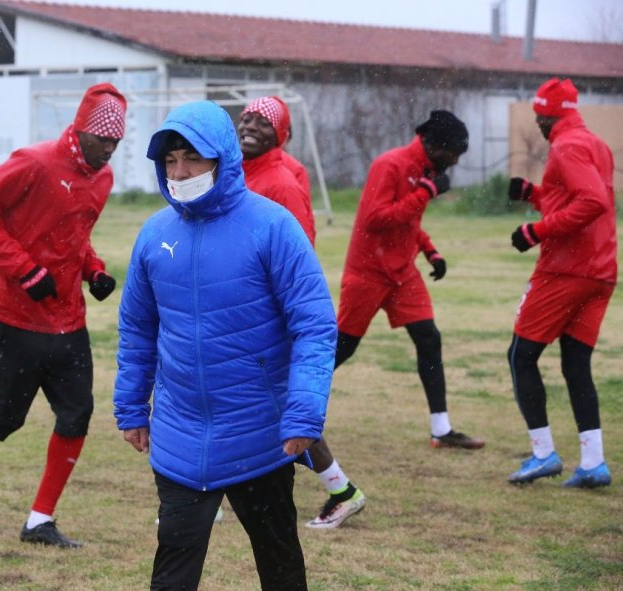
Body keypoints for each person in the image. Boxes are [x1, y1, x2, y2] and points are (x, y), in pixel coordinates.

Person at [113, 100, 337, 591]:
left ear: (223, 158)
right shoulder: (154, 235)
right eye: (170, 161)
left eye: (192, 158)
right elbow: (137, 328)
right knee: (173, 569)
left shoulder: (272, 226)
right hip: (178, 434)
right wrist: (131, 405)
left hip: (259, 433)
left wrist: (304, 412)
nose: (180, 171)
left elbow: (314, 326)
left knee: (279, 562)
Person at [0, 83, 127, 548]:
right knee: (7, 416)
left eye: (117, 141)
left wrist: (93, 270)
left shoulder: (102, 178)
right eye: (103, 139)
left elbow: (74, 235)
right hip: (17, 312)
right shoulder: (34, 163)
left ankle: (39, 521)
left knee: (77, 413)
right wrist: (25, 271)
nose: (110, 148)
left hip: (68, 318)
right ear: (80, 130)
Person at [305, 110, 485, 530]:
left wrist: (431, 250)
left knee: (430, 340)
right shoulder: (391, 164)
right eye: (454, 154)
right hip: (368, 272)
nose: (455, 162)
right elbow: (375, 219)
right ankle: (292, 401)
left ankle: (441, 429)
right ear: (434, 146)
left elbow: (408, 222)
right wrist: (424, 192)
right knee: (342, 348)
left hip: (402, 273)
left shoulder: (423, 169)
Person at [506, 78, 616, 488]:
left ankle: (543, 454)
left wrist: (537, 231)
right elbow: (579, 196)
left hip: (567, 269)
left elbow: (592, 202)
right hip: (600, 271)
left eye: (540, 118)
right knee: (575, 363)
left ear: (552, 116)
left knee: (521, 356)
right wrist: (535, 194)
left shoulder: (566, 146)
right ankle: (593, 462)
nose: (538, 125)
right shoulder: (595, 144)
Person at [238, 95, 316, 245]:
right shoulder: (232, 174)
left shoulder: (284, 187)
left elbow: (299, 252)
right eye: (246, 120)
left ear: (278, 137)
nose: (251, 127)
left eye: (264, 123)